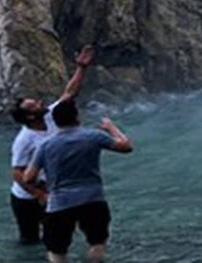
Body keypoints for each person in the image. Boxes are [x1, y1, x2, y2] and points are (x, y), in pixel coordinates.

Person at [23, 100, 134, 263]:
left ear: (56, 122)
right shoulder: (93, 136)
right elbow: (126, 147)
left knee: (56, 250)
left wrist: (44, 188)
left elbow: (28, 178)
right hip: (93, 199)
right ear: (77, 117)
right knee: (97, 243)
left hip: (59, 203)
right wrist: (111, 128)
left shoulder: (46, 146)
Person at [8, 45, 96, 246]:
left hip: (52, 189)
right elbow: (16, 172)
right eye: (35, 105)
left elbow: (69, 93)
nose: (40, 103)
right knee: (29, 241)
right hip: (26, 197)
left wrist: (81, 68)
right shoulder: (24, 140)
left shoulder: (50, 116)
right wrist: (38, 194)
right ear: (30, 116)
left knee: (57, 237)